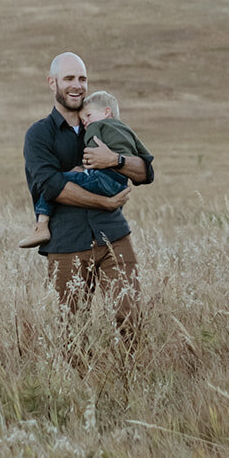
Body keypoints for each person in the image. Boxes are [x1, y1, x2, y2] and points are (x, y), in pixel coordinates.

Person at [22, 53, 154, 340]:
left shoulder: (104, 122)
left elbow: (145, 171)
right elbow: (52, 186)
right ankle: (83, 384)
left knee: (129, 316)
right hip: (66, 242)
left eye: (82, 79)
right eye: (69, 78)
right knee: (72, 331)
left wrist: (115, 160)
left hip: (113, 238)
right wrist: (105, 202)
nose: (77, 85)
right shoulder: (39, 134)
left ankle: (131, 380)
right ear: (52, 82)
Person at [19, 88, 153, 249]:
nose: (86, 122)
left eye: (88, 116)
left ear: (106, 112)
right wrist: (121, 159)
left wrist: (87, 167)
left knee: (53, 182)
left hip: (102, 180)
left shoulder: (95, 128)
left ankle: (41, 226)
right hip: (120, 186)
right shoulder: (128, 130)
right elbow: (147, 163)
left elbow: (92, 151)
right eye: (83, 120)